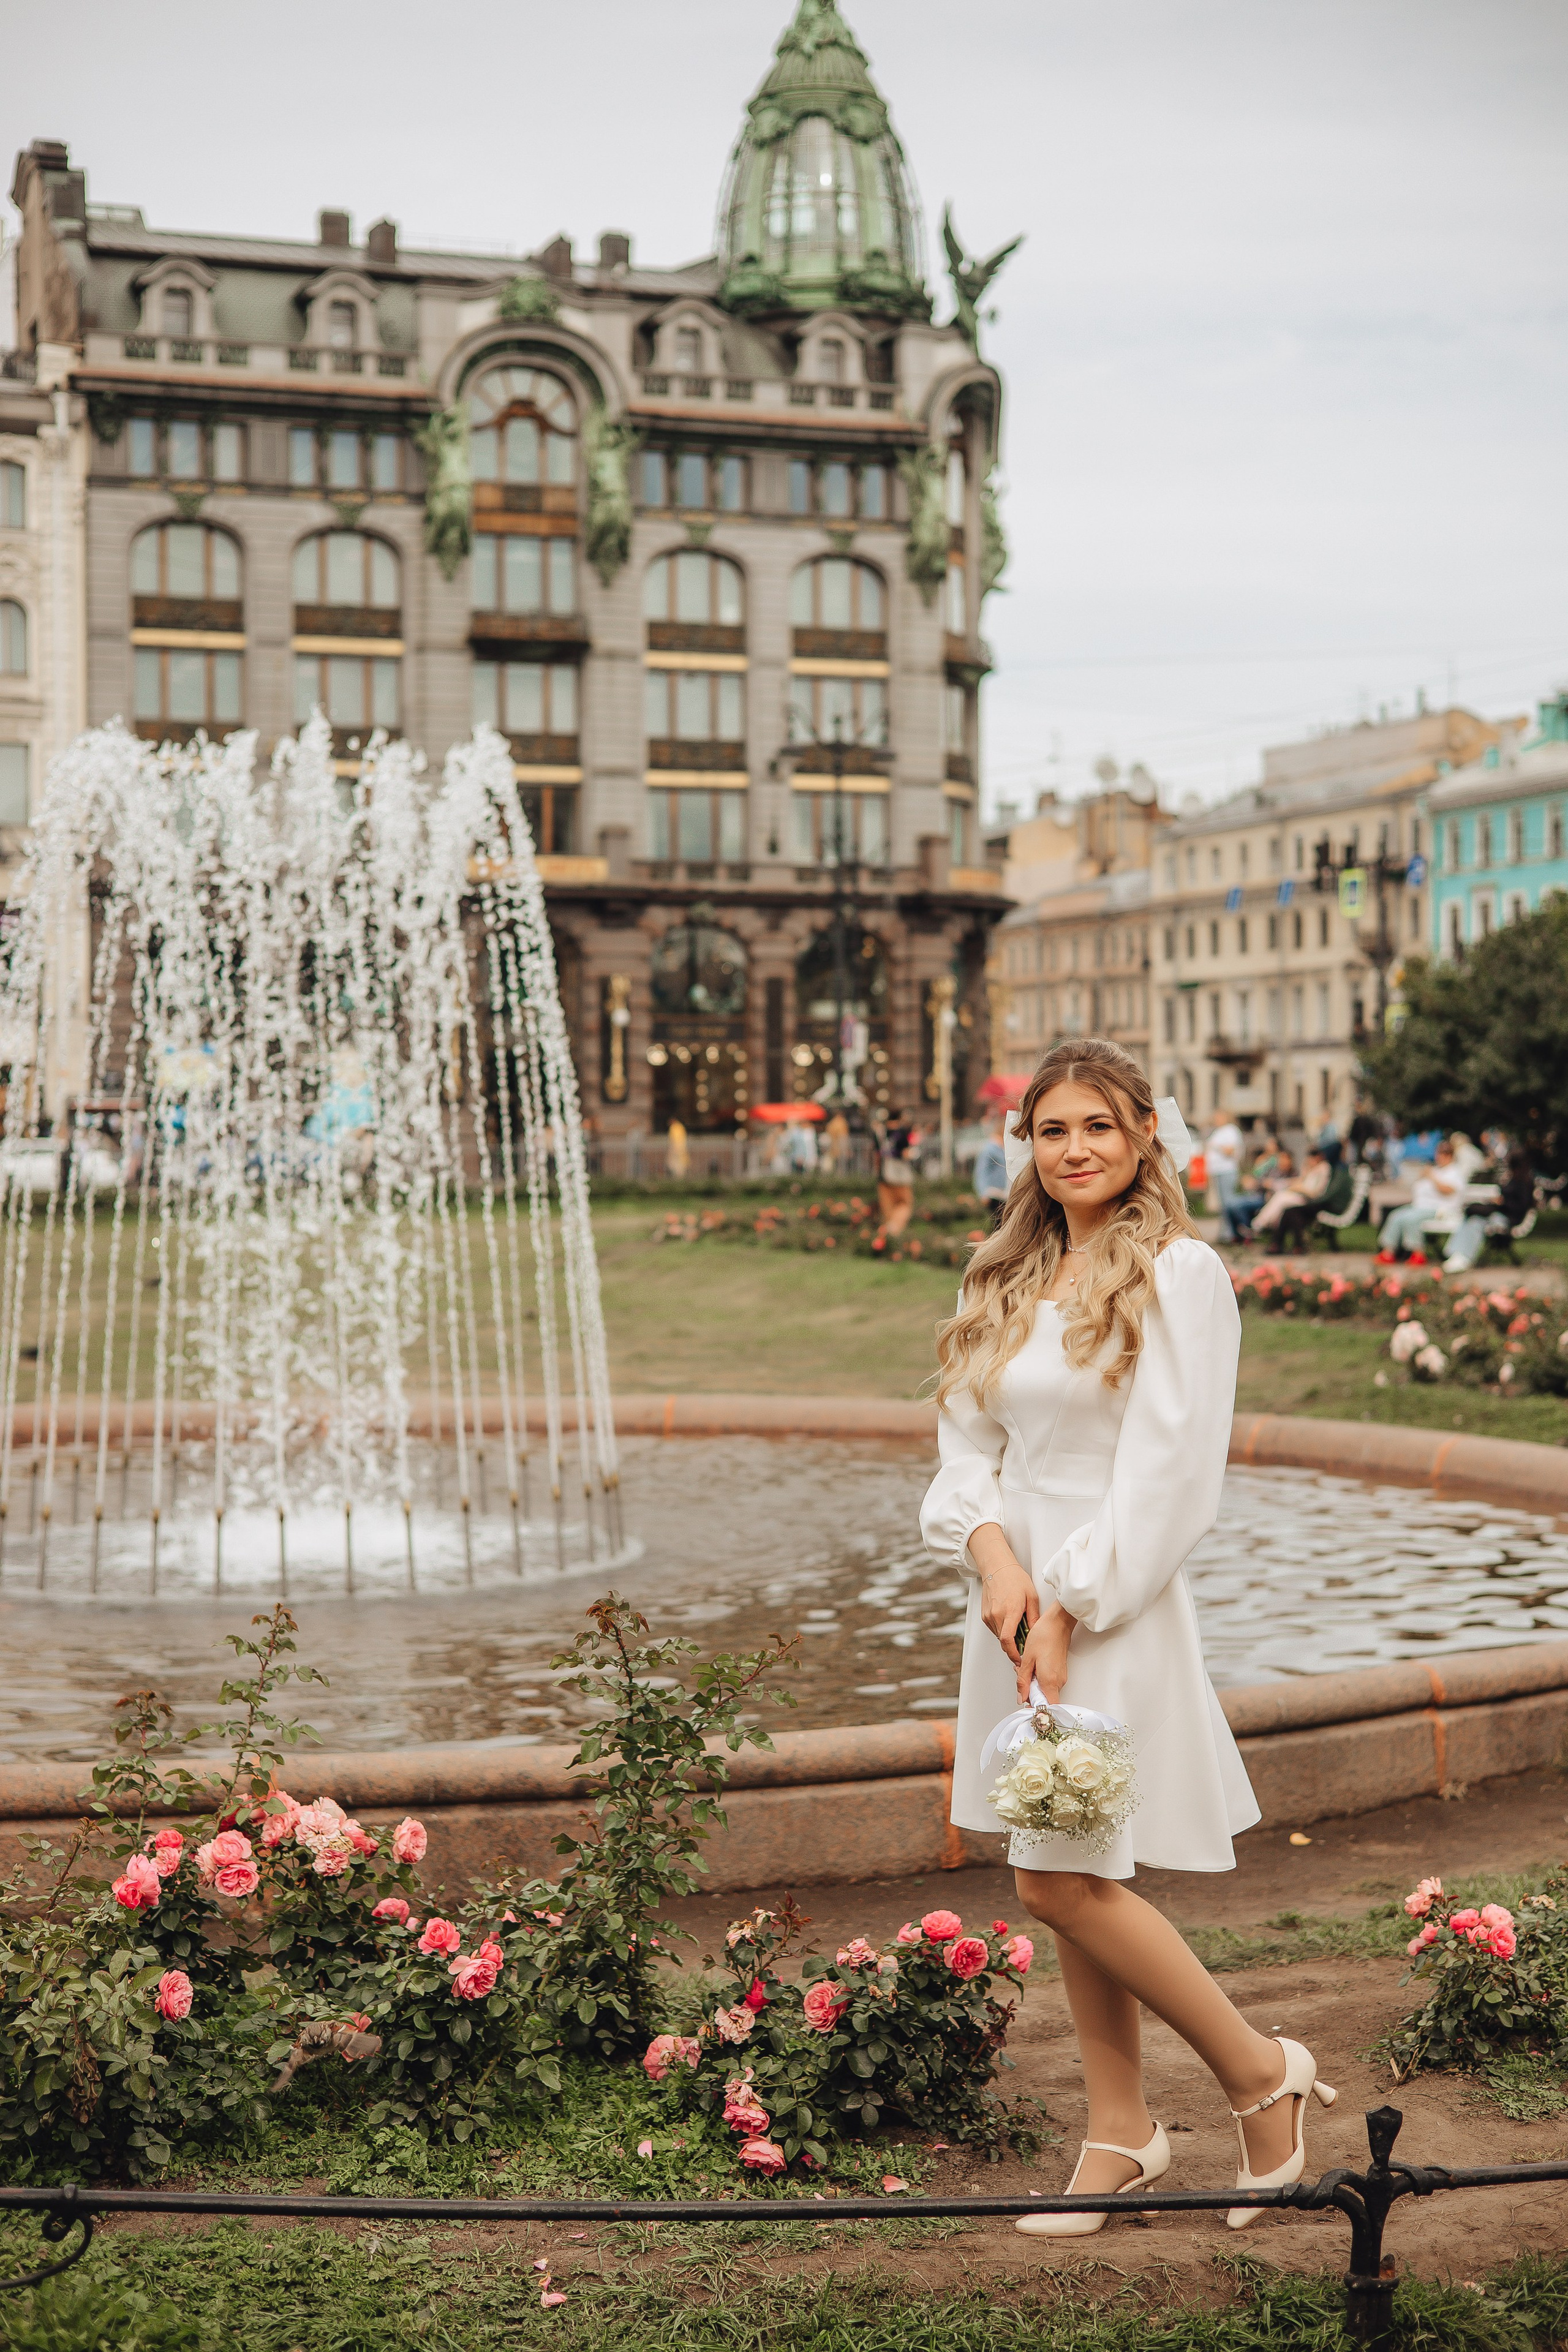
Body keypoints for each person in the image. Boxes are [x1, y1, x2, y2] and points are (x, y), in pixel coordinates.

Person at [922, 1037, 1332, 2237]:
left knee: (1052, 1876)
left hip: (1108, 1597)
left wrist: (1065, 1602)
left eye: (1096, 1126)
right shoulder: (997, 1274)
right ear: (1029, 1146)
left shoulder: (1179, 1271)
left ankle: (1262, 2077)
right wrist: (992, 1560)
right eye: (1051, 1131)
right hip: (1004, 1599)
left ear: (1143, 1132)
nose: (1074, 1150)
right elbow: (962, 1453)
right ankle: (1117, 2132)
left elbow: (1169, 1475)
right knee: (1073, 1869)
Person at [1442, 1148, 1536, 1273]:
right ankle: (1455, 1253)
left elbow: (1520, 1207)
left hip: (1508, 1220)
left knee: (1476, 1223)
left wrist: (1502, 1203)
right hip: (1500, 1214)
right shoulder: (1513, 1179)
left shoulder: (1525, 1183)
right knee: (1473, 1219)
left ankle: (1464, 1257)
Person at [1375, 1137, 1462, 1264]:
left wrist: (1432, 1177)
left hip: (1441, 1209)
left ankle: (1418, 1253)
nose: (1440, 1157)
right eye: (1439, 1153)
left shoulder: (1454, 1172)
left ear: (1451, 1156)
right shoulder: (1436, 1170)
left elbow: (1448, 1190)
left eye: (1444, 1154)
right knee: (1396, 1216)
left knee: (1411, 1219)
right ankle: (1388, 1251)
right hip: (1421, 1206)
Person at [876, 1109, 918, 1238]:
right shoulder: (901, 1132)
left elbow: (877, 1153)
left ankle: (886, 1237)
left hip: (883, 1176)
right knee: (905, 1205)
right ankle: (892, 1231)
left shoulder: (881, 1132)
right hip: (900, 1177)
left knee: (888, 1209)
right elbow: (905, 1153)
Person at [1204, 1115, 1245, 1240]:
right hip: (1217, 1171)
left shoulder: (1231, 1130)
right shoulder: (1217, 1132)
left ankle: (1232, 1232)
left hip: (1227, 1171)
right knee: (1223, 1205)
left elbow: (1230, 1151)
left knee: (1229, 1203)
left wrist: (1216, 1146)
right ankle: (1226, 1232)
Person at [973, 1109, 1011, 1230]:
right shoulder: (990, 1149)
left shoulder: (1003, 1147)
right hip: (994, 1193)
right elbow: (981, 1172)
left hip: (1004, 1193)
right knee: (998, 1225)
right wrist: (983, 1193)